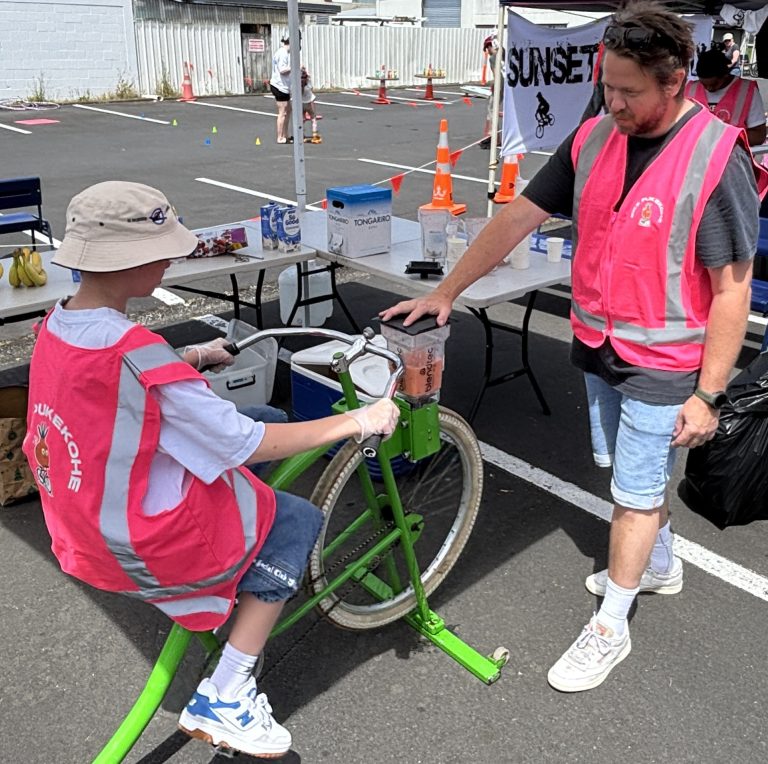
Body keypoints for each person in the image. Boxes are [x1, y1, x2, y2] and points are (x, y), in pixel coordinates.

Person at [380, 0, 766, 693]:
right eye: (607, 84)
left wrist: (708, 394)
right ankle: (659, 564)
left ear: (674, 80)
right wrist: (448, 292)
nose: (612, 101)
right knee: (619, 468)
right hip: (598, 342)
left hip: (666, 361)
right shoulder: (592, 138)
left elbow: (733, 288)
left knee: (636, 492)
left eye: (629, 91)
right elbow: (518, 216)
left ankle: (610, 624)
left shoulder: (713, 156)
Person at [23, 181, 400, 756]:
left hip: (79, 516)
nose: (171, 257)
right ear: (132, 260)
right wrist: (358, 421)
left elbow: (108, 386)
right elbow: (243, 444)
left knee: (264, 409)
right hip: (135, 540)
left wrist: (192, 357)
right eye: (162, 248)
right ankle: (226, 692)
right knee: (293, 520)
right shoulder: (138, 353)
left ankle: (236, 566)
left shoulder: (59, 325)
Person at [685, 48, 767, 146]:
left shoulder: (746, 90)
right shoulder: (690, 89)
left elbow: (759, 135)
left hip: (732, 157)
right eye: (704, 84)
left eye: (714, 84)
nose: (709, 88)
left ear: (725, 75)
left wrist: (726, 140)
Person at [480, 34, 503, 149]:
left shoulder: (493, 58)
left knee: (492, 111)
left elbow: (496, 74)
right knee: (492, 110)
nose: (487, 51)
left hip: (500, 86)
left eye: (487, 48)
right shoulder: (502, 55)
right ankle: (493, 136)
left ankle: (495, 138)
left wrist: (494, 85)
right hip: (506, 85)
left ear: (490, 46)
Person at [270, 36, 292, 144]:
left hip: (283, 86)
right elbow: (282, 70)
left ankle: (285, 134)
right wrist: (294, 66)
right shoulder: (283, 53)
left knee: (288, 110)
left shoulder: (282, 52)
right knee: (282, 112)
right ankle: (280, 137)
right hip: (279, 86)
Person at [301, 65, 321, 144]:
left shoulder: (298, 86)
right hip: (309, 102)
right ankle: (315, 134)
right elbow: (311, 87)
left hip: (301, 103)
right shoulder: (308, 85)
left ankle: (301, 135)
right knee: (313, 118)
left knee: (302, 120)